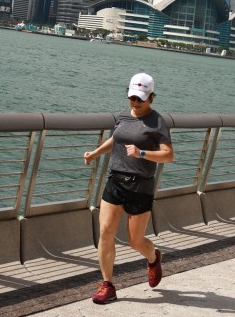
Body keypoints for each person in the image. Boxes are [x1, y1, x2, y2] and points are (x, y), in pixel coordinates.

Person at [83, 72, 173, 304]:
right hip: (115, 181)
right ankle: (108, 285)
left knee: (135, 241)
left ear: (151, 97)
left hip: (141, 185)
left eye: (140, 99)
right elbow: (116, 139)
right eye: (132, 97)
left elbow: (168, 155)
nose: (135, 102)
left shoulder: (158, 122)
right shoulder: (123, 116)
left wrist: (142, 153)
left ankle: (153, 258)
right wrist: (95, 153)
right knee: (105, 232)